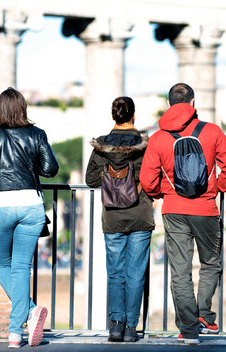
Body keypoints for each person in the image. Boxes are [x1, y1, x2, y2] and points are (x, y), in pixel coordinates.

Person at [139, 83, 226, 345]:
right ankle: (205, 314)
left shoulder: (159, 137)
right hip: (206, 209)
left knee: (180, 271)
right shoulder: (212, 131)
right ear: (193, 103)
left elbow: (147, 181)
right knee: (211, 263)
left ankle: (189, 330)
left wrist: (165, 191)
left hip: (173, 209)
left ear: (169, 104)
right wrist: (216, 187)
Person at [0, 87, 59, 348]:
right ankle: (16, 331)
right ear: (22, 108)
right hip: (31, 205)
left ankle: (29, 314)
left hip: (1, 205)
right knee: (22, 268)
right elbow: (50, 169)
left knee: (0, 265)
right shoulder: (37, 134)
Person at [85, 96, 154, 343]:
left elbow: (91, 180)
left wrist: (110, 177)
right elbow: (152, 178)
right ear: (133, 116)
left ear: (113, 116)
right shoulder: (146, 144)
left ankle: (115, 326)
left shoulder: (101, 146)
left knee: (115, 273)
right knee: (136, 273)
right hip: (140, 214)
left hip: (113, 217)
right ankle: (132, 328)